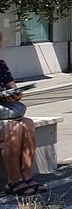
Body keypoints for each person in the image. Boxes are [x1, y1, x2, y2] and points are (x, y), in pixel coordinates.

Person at [0, 49, 45, 196]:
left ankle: (26, 175)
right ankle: (13, 179)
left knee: (28, 124)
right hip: (5, 120)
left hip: (4, 113)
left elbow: (12, 87)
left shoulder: (1, 65)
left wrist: (15, 94)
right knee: (14, 128)